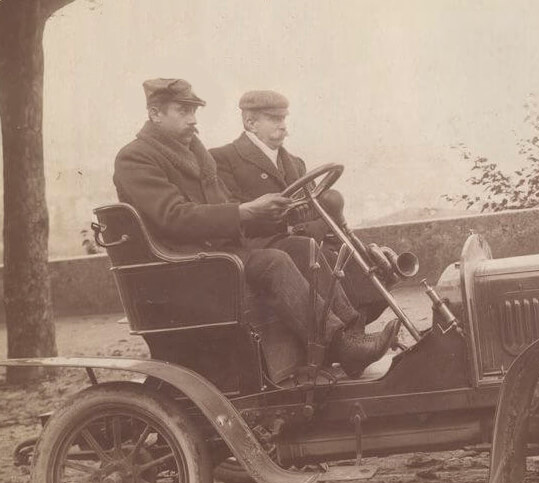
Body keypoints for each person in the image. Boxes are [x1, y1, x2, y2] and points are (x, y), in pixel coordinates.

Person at [112, 78, 399, 377]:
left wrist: (266, 214)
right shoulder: (135, 158)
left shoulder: (196, 155)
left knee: (302, 247)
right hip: (181, 266)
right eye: (183, 111)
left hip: (216, 255)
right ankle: (339, 344)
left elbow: (221, 209)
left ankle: (352, 336)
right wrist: (244, 211)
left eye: (194, 111)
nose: (193, 119)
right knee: (273, 261)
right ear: (155, 114)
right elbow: (173, 217)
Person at [210, 90, 390, 323]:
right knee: (308, 250)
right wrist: (292, 226)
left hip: (300, 240)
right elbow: (233, 214)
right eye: (274, 119)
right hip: (260, 246)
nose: (283, 125)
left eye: (284, 118)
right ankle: (346, 330)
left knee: (347, 251)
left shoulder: (295, 163)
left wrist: (316, 226)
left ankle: (361, 321)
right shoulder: (223, 159)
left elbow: (315, 209)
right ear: (250, 122)